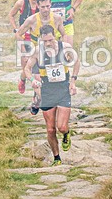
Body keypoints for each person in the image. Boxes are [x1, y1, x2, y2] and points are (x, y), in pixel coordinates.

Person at [22, 24, 80, 166]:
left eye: (50, 40)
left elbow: (77, 62)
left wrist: (73, 82)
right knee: (50, 129)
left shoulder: (65, 47)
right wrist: (32, 80)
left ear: (55, 36)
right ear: (41, 39)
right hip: (47, 91)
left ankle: (66, 134)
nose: (48, 43)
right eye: (45, 41)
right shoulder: (37, 51)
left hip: (63, 90)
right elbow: (27, 68)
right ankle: (57, 158)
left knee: (61, 127)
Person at [15, 0, 66, 114]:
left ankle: (38, 99)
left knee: (51, 79)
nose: (46, 9)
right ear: (38, 6)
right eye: (43, 7)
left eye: (48, 6)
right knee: (37, 79)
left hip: (52, 52)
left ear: (51, 4)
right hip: (37, 53)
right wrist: (24, 51)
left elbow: (63, 34)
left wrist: (62, 49)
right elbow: (18, 34)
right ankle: (38, 98)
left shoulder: (57, 18)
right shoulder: (31, 20)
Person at [8, 0, 40, 93]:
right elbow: (11, 15)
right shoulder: (21, 3)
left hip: (37, 37)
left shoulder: (42, 3)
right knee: (26, 66)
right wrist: (15, 29)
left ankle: (36, 94)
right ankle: (22, 79)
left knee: (37, 67)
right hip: (23, 38)